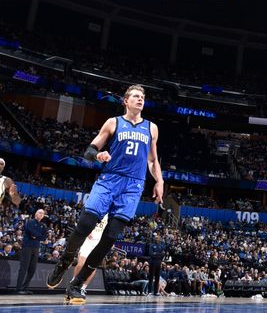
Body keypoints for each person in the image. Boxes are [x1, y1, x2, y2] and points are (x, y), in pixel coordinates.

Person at [46, 84, 164, 304]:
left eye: (143, 97)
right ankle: (65, 260)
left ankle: (77, 284)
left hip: (133, 186)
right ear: (126, 101)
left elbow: (152, 159)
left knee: (109, 238)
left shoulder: (152, 128)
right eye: (136, 96)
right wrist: (98, 155)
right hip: (110, 180)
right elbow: (90, 150)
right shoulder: (113, 122)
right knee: (84, 225)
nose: (140, 100)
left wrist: (159, 180)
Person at [72, 214, 108, 295]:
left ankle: (83, 288)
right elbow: (80, 221)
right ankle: (72, 284)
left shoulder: (110, 215)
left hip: (98, 243)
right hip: (88, 240)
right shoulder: (96, 209)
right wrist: (86, 232)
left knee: (92, 268)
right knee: (80, 264)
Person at [16, 208, 46, 294]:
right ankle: (18, 288)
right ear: (36, 214)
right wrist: (38, 236)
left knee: (32, 269)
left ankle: (25, 287)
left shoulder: (43, 225)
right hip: (27, 246)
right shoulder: (30, 222)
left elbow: (44, 237)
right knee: (24, 267)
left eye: (43, 213)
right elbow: (31, 232)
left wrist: (36, 236)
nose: (41, 214)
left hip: (36, 248)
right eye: (40, 212)